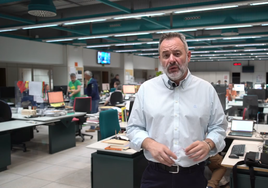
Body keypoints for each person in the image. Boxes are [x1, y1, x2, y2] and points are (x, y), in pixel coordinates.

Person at [126, 32, 227, 188]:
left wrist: (209, 143)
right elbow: (133, 128)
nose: (171, 59)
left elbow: (219, 127)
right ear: (160, 60)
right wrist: (148, 143)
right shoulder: (147, 89)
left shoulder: (206, 90)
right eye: (166, 55)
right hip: (155, 175)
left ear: (188, 56)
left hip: (194, 176)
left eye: (177, 53)